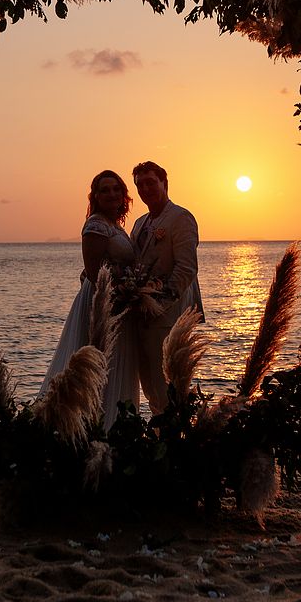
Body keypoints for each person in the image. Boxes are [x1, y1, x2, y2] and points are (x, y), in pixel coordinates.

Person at [40, 170, 140, 430]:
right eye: (104, 190)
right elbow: (94, 273)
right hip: (101, 302)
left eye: (116, 189)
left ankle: (111, 427)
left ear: (124, 195)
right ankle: (80, 426)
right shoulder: (95, 225)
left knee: (115, 364)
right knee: (94, 361)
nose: (111, 194)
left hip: (119, 304)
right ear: (95, 196)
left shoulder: (114, 226)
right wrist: (114, 297)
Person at [129, 160, 203, 414]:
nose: (145, 188)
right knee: (149, 385)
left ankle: (174, 441)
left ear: (164, 183)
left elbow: (186, 268)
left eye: (151, 182)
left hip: (169, 316)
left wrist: (159, 303)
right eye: (140, 185)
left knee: (168, 387)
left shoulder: (181, 218)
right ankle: (160, 438)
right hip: (142, 316)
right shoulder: (139, 223)